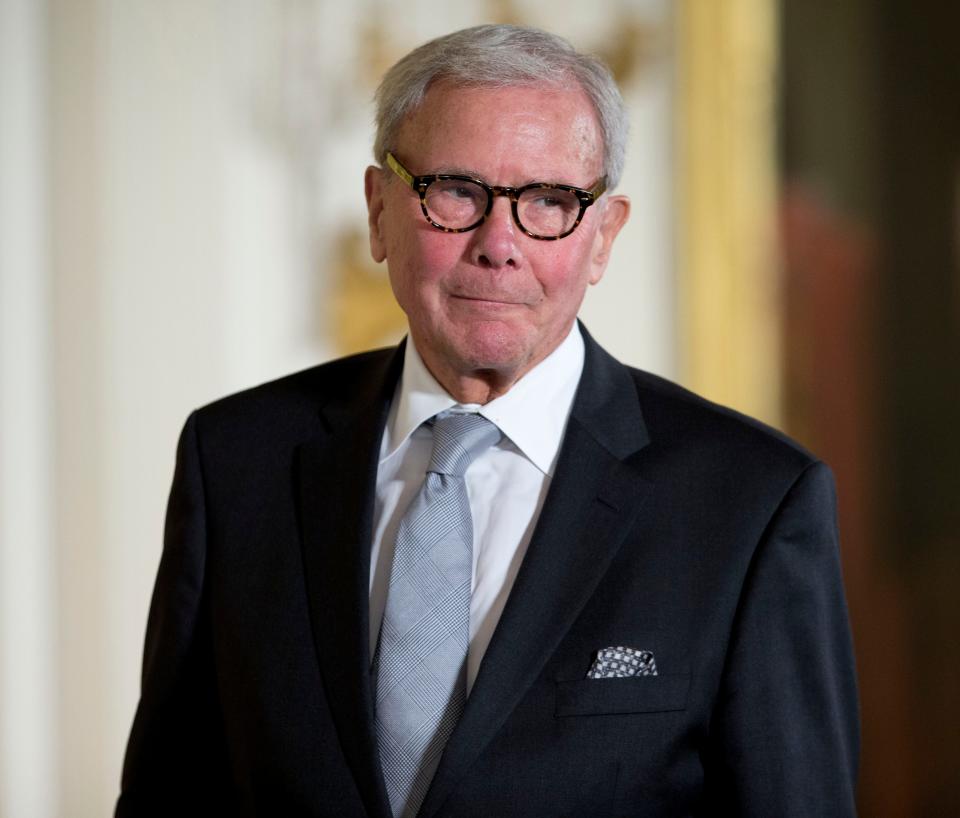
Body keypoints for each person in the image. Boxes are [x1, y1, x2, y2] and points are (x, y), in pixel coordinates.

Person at [116, 24, 859, 818]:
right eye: (457, 192)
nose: (498, 244)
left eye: (548, 201)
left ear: (603, 236)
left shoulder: (750, 504)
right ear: (378, 212)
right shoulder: (236, 460)